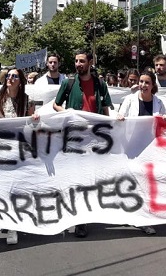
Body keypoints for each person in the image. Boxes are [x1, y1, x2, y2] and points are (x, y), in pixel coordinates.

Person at [53, 50, 112, 237]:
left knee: (87, 179)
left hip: (93, 140)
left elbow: (105, 110)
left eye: (81, 61)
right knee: (73, 178)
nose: (78, 64)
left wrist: (108, 133)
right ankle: (72, 216)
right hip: (73, 138)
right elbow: (56, 104)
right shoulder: (68, 83)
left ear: (90, 62)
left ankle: (82, 220)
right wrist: (67, 111)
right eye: (76, 61)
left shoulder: (100, 84)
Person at [0, 69, 37, 245]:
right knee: (2, 186)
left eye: (14, 76)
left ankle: (13, 226)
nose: (10, 78)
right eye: (8, 76)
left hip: (19, 147)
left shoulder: (27, 100)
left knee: (16, 186)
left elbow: (32, 122)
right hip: (0, 145)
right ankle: (2, 217)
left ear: (20, 81)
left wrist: (35, 119)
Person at [116, 71, 166, 236]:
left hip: (150, 149)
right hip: (131, 148)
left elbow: (165, 121)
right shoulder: (130, 100)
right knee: (132, 182)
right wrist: (120, 118)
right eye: (141, 82)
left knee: (146, 183)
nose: (143, 85)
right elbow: (120, 117)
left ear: (153, 86)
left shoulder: (158, 103)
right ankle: (133, 214)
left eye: (147, 82)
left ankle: (143, 218)